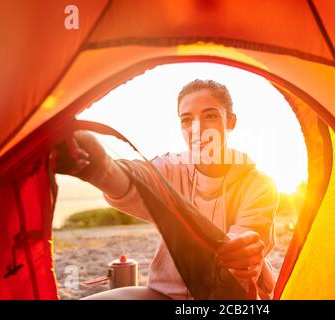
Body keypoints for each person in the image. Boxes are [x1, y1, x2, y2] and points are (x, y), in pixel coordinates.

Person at [54, 79, 279, 299]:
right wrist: (99, 167)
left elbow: (244, 247)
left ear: (230, 122)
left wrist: (244, 253)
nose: (197, 129)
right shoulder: (170, 169)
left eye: (209, 116)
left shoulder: (259, 185)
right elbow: (136, 179)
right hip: (166, 295)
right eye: (186, 120)